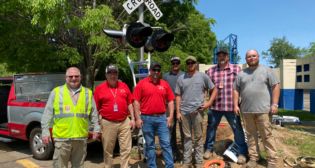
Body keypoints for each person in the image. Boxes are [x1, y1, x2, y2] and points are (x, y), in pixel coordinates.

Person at [41, 67, 100, 168]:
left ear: (80, 77)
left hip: (80, 138)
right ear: (66, 77)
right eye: (71, 76)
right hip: (62, 138)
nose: (73, 78)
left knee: (78, 166)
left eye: (76, 76)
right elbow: (47, 114)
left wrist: (97, 129)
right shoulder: (56, 92)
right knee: (60, 166)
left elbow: (93, 113)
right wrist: (45, 132)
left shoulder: (87, 93)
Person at [233, 49, 280, 168]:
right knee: (250, 136)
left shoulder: (267, 70)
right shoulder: (241, 74)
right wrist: (235, 105)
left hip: (263, 110)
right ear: (246, 59)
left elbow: (275, 86)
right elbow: (235, 90)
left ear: (258, 57)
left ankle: (272, 160)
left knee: (267, 135)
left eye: (254, 56)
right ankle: (254, 158)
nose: (251, 58)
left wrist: (275, 104)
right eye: (249, 56)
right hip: (246, 111)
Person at [204, 49, 248, 164]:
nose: (221, 58)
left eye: (224, 56)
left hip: (231, 106)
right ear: (217, 58)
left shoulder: (236, 69)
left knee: (237, 129)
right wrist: (205, 101)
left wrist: (241, 104)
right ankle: (208, 149)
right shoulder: (211, 71)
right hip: (215, 107)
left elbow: (242, 87)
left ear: (227, 57)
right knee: (211, 128)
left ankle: (242, 153)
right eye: (219, 56)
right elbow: (206, 88)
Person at [175, 56, 218, 168]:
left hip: (197, 112)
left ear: (196, 63)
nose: (190, 64)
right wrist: (178, 112)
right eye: (188, 63)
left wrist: (208, 104)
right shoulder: (181, 78)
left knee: (198, 137)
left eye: (192, 62)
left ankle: (198, 161)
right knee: (187, 137)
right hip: (184, 112)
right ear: (186, 64)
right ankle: (187, 161)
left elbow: (214, 90)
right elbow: (178, 95)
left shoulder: (203, 77)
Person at [133, 61, 175, 168]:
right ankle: (152, 166)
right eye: (154, 70)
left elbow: (170, 101)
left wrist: (170, 117)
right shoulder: (142, 84)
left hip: (162, 118)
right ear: (149, 70)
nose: (156, 72)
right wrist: (137, 118)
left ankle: (170, 166)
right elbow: (136, 101)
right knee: (150, 145)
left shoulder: (164, 84)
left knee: (166, 144)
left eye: (158, 70)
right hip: (146, 119)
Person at [94, 65, 135, 168]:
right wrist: (97, 125)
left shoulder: (124, 86)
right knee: (108, 149)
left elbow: (129, 103)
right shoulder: (100, 88)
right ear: (106, 75)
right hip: (108, 122)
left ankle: (125, 166)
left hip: (124, 121)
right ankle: (108, 166)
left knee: (126, 148)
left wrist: (133, 119)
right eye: (110, 73)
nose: (113, 75)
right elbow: (95, 109)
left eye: (115, 73)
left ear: (117, 74)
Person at [162, 57, 185, 161]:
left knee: (184, 130)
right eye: (173, 63)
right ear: (171, 64)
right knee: (171, 130)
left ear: (180, 64)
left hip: (183, 106)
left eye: (177, 63)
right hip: (169, 106)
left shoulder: (184, 75)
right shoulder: (165, 76)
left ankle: (186, 152)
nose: (175, 64)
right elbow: (162, 91)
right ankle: (174, 152)